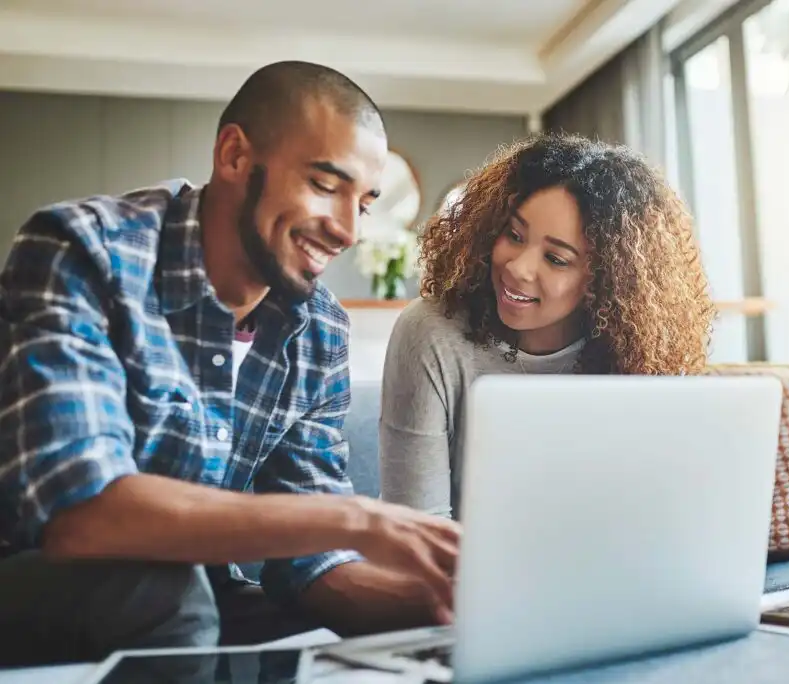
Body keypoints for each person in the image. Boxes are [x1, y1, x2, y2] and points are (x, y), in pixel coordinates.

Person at [0, 61, 460, 668]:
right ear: (235, 156)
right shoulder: (82, 250)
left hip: (191, 593)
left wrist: (442, 603)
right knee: (173, 596)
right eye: (325, 186)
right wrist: (356, 518)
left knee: (308, 630)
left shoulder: (318, 328)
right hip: (32, 573)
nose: (348, 231)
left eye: (365, 204)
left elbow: (311, 566)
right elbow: (80, 513)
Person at [379, 133, 716, 519]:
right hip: (457, 572)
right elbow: (417, 529)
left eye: (556, 259)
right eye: (514, 235)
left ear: (607, 279)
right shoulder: (431, 333)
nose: (518, 268)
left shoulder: (637, 353)